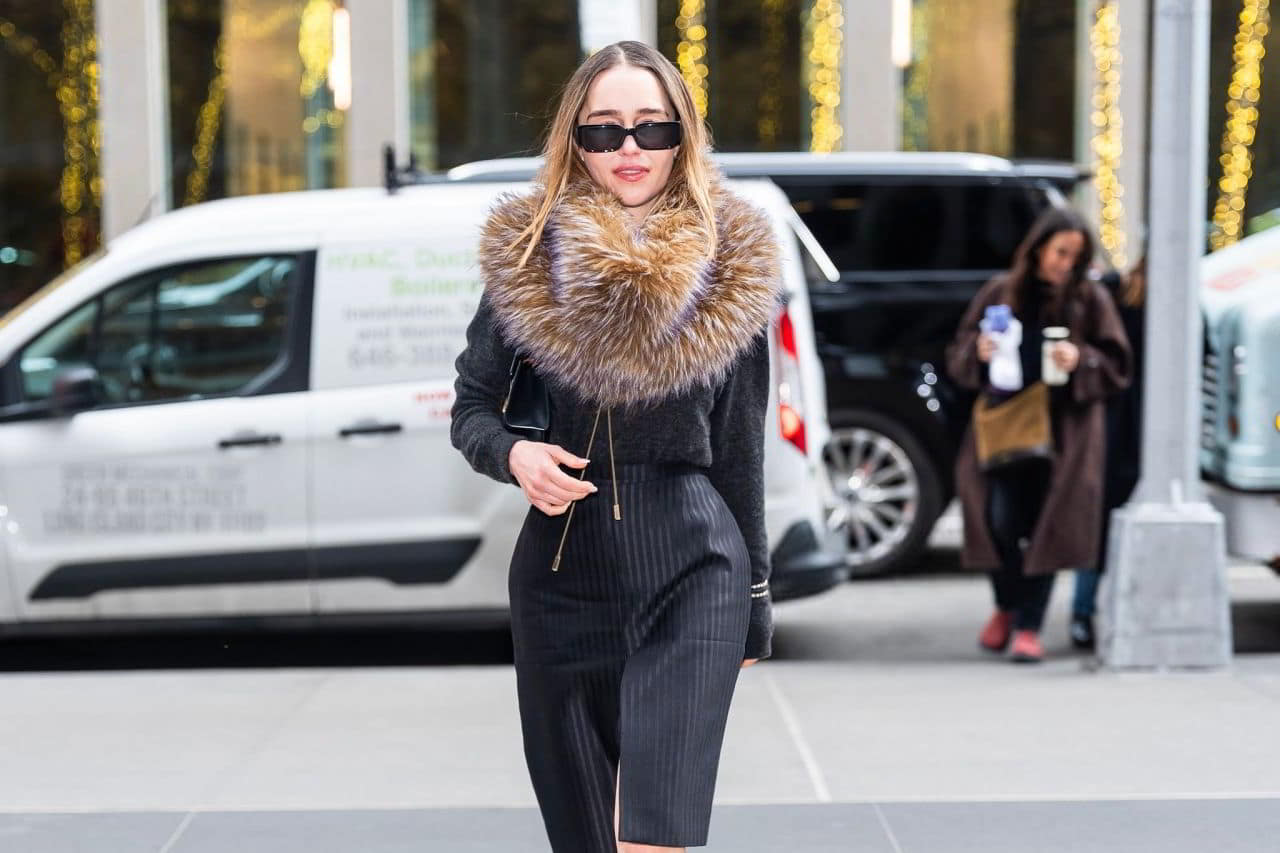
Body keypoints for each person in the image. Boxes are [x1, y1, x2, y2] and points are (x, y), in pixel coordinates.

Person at [450, 41, 780, 852]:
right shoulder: (529, 256)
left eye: (650, 127)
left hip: (695, 562)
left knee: (652, 832)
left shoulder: (732, 261)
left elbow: (741, 446)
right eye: (603, 130)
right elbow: (473, 408)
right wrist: (516, 455)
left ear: (682, 135)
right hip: (563, 569)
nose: (629, 148)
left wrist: (755, 601)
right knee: (587, 835)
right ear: (575, 139)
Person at [945, 207, 1131, 664]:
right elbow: (958, 354)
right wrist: (978, 351)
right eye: (1060, 252)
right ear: (1039, 248)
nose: (1065, 263)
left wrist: (1081, 359)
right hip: (1003, 428)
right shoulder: (1000, 291)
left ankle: (1028, 626)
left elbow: (1117, 364)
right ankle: (1007, 605)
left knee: (1047, 528)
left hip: (1064, 435)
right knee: (997, 523)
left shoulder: (1089, 298)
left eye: (1075, 256)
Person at [1069, 256, 1146, 649]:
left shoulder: (1184, 308)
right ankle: (1083, 611)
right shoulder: (1113, 293)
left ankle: (1093, 611)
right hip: (1115, 427)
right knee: (1098, 521)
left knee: (1111, 523)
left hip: (1147, 432)